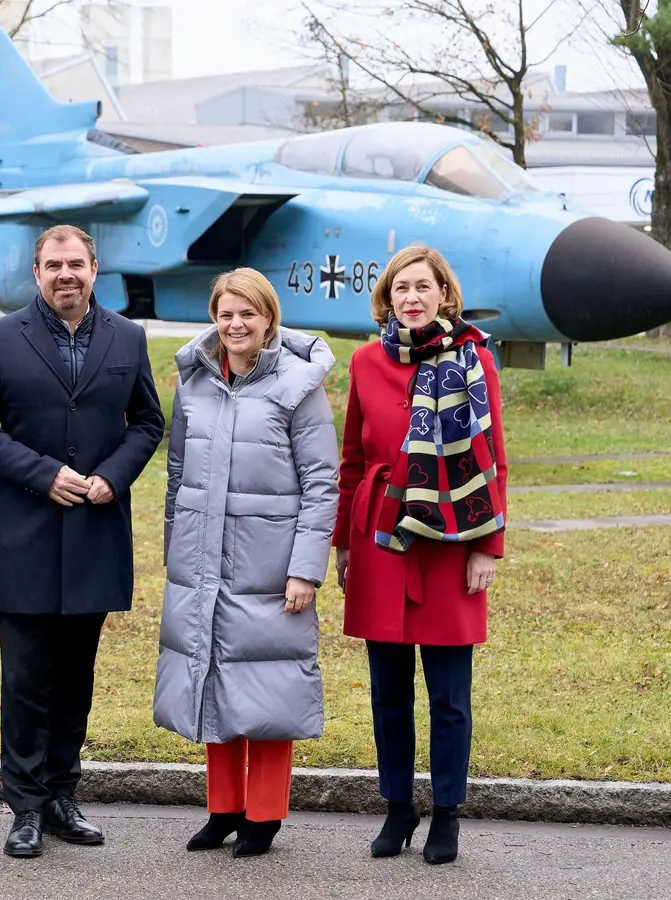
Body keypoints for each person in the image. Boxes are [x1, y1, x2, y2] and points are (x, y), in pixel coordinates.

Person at [0, 224, 166, 858]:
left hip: (95, 532)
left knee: (76, 676)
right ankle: (23, 805)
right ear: (37, 271)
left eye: (75, 263)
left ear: (94, 268)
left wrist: (112, 476)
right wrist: (41, 473)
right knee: (25, 678)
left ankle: (61, 795)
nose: (65, 274)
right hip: (26, 531)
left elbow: (149, 421)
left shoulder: (127, 337)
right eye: (54, 265)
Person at [333, 245, 508, 866]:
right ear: (388, 298)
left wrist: (488, 545)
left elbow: (493, 456)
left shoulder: (474, 357)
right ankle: (398, 808)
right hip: (381, 539)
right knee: (387, 690)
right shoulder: (363, 361)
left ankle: (447, 815)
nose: (411, 298)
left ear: (444, 295)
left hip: (450, 541)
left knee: (449, 694)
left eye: (422, 287)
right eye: (400, 288)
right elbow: (351, 459)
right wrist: (341, 543)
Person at [154, 268, 338, 858]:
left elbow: (321, 481)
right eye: (226, 314)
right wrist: (173, 551)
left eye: (248, 315)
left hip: (270, 564)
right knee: (210, 678)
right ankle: (223, 809)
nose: (236, 325)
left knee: (269, 685)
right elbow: (178, 471)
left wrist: (306, 569)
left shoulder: (298, 386)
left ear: (269, 320)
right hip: (201, 561)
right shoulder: (196, 381)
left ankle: (265, 815)